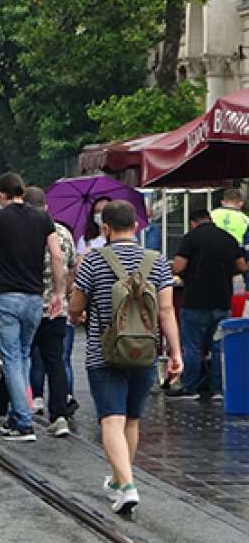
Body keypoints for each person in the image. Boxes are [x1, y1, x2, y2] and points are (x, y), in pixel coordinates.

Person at [69, 200, 182, 515]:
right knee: (131, 420)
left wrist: (76, 314)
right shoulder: (157, 262)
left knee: (111, 420)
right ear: (136, 226)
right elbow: (166, 310)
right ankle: (120, 481)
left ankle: (127, 485)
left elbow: (76, 307)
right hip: (145, 352)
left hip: (103, 354)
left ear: (105, 229)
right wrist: (175, 352)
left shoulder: (93, 261)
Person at [0, 187, 75, 439]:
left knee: (16, 359)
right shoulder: (62, 233)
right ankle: (59, 415)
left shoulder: (13, 225)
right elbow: (68, 265)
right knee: (54, 361)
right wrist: (61, 293)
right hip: (52, 307)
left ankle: (18, 416)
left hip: (19, 298)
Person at [168, 209, 247, 399]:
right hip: (222, 300)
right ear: (210, 219)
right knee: (219, 346)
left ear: (192, 222)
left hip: (195, 300)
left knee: (193, 347)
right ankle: (218, 389)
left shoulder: (191, 238)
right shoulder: (228, 238)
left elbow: (178, 267)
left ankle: (191, 387)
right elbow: (242, 266)